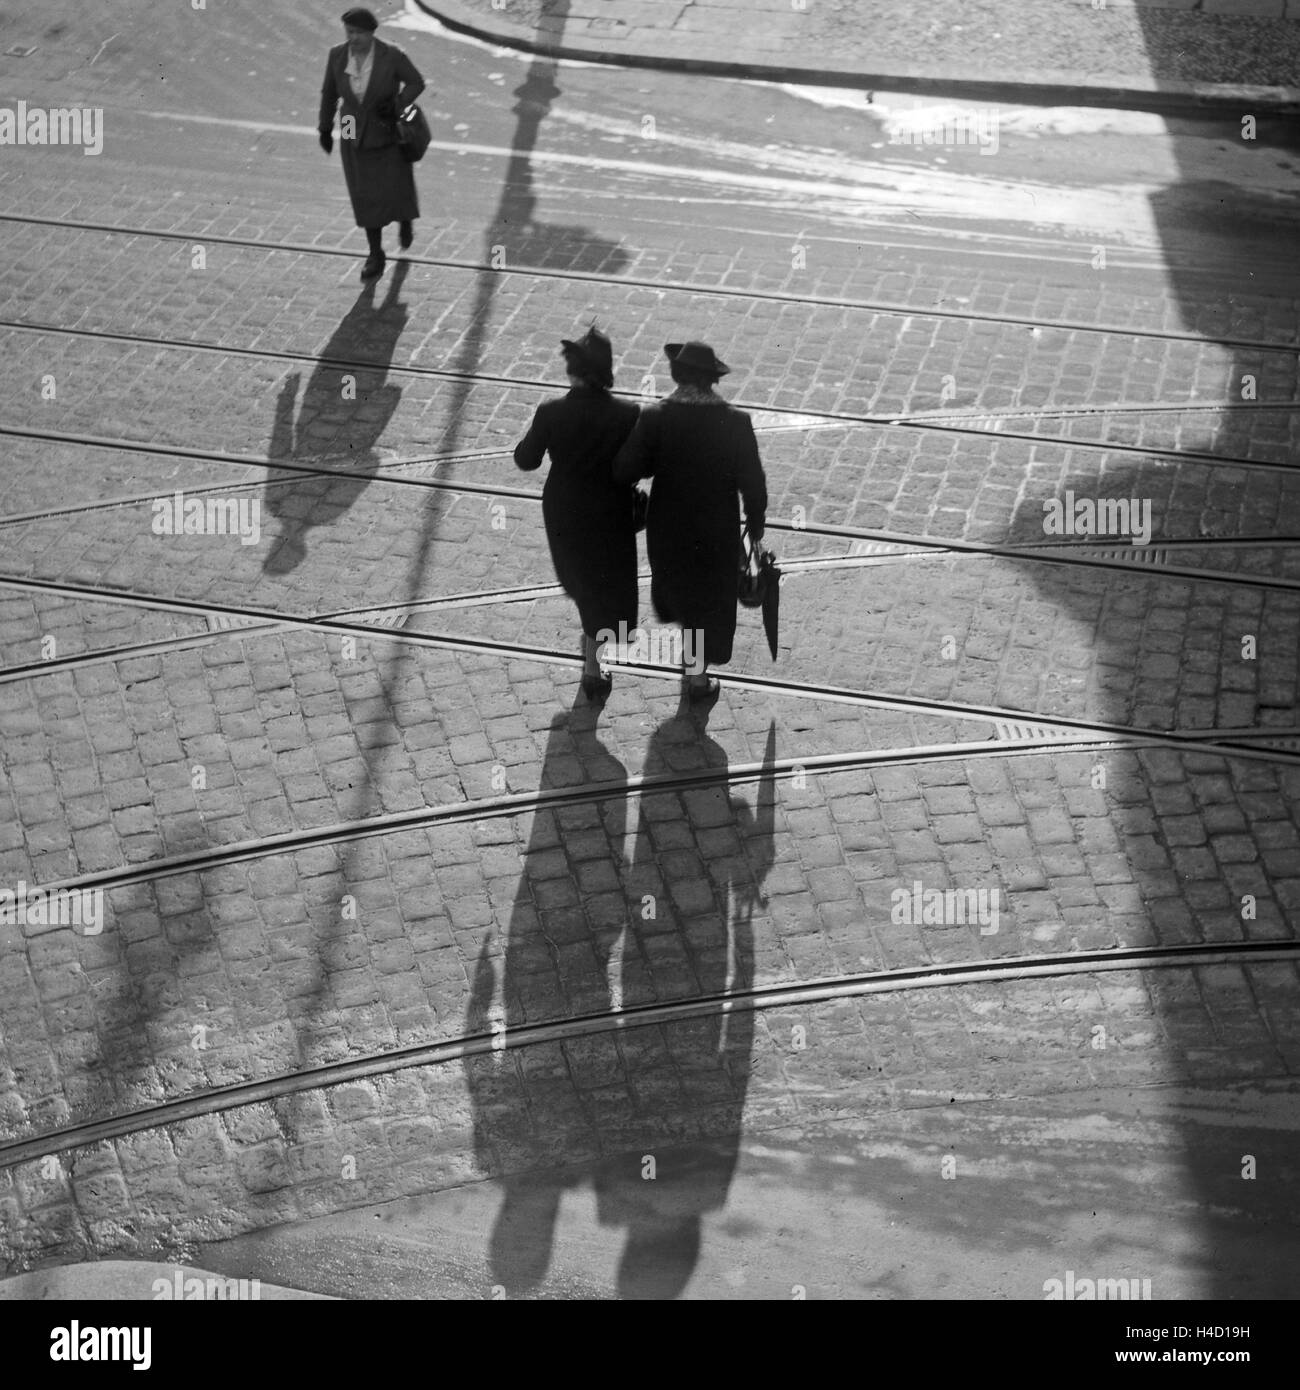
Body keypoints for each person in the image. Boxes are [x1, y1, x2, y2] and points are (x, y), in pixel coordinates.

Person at [613, 341, 767, 700]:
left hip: (669, 527)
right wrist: (755, 523)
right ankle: (696, 676)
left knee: (683, 596)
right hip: (717, 528)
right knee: (707, 600)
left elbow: (626, 469)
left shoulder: (655, 417)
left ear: (677, 375)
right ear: (712, 380)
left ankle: (692, 665)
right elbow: (753, 482)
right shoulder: (736, 422)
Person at [514, 329, 641, 700]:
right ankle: (593, 668)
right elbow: (635, 468)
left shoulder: (552, 412)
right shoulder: (628, 414)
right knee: (604, 586)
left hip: (565, 511)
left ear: (572, 372)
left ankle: (592, 664)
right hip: (611, 513)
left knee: (583, 584)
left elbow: (526, 460)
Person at [318, 7, 425, 282]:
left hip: (386, 129)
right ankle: (375, 253)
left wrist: (398, 104)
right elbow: (330, 93)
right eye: (349, 32)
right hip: (353, 127)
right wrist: (326, 128)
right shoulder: (337, 55)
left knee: (396, 186)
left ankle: (405, 222)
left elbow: (416, 82)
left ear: (371, 33)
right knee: (364, 195)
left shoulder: (392, 55)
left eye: (358, 33)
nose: (353, 38)